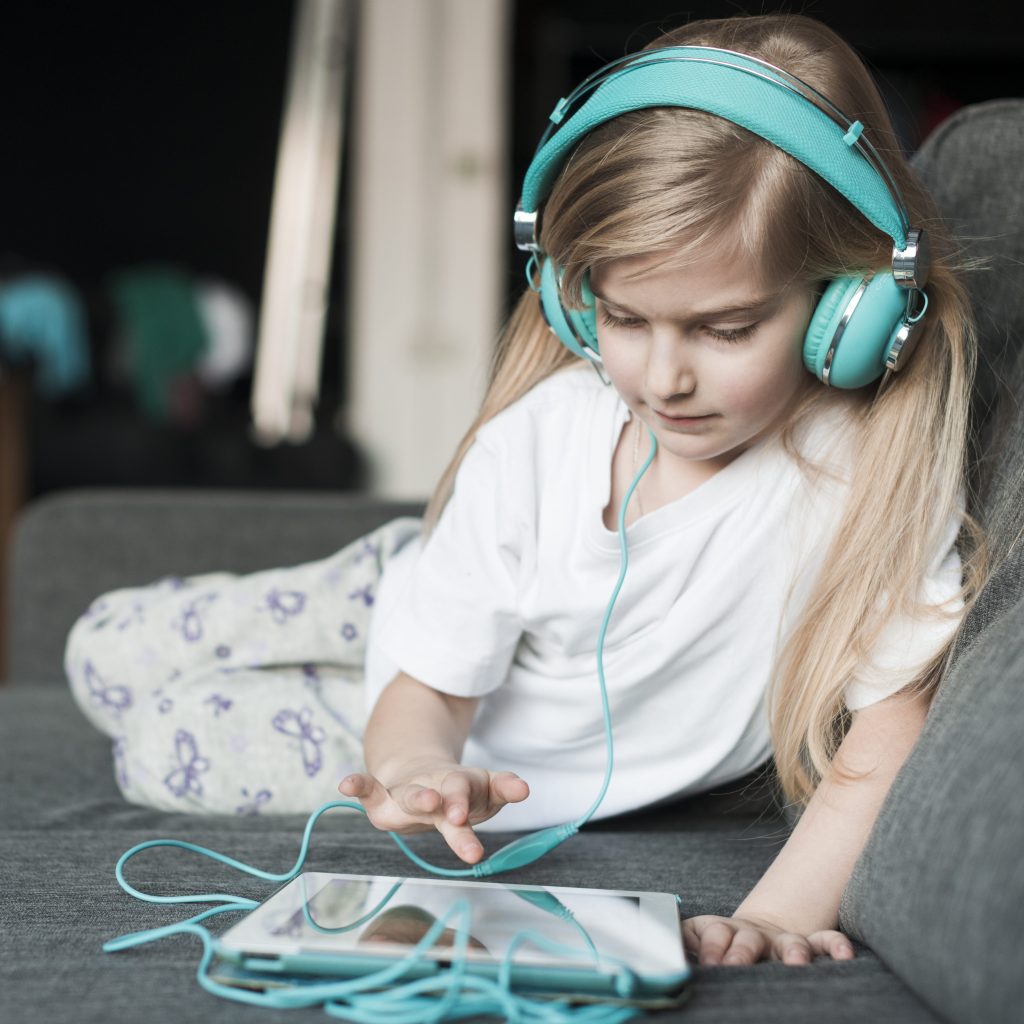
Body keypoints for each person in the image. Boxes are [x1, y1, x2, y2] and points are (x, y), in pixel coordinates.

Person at [65, 13, 988, 970]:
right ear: (571, 295)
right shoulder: (544, 436)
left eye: (723, 329)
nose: (664, 378)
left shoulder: (867, 481)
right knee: (102, 652)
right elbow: (428, 685)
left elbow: (888, 724)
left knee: (160, 743)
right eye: (626, 318)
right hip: (426, 612)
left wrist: (781, 913)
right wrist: (417, 760)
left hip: (500, 729)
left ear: (856, 305)